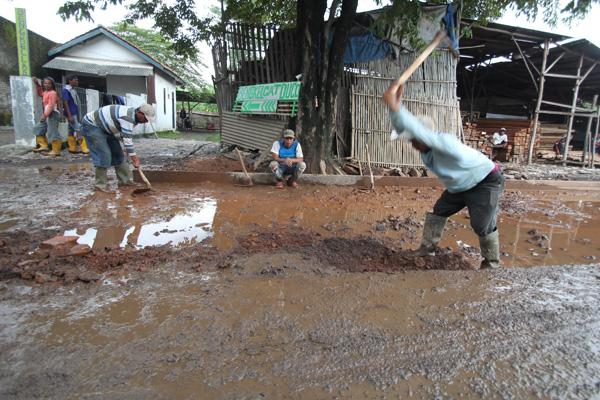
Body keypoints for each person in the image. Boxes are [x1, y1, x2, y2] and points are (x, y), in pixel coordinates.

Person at [382, 83, 505, 269]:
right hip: (460, 186)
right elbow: (404, 127)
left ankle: (492, 263)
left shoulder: (444, 143)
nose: (412, 144)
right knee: (439, 211)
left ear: (423, 136)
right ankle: (426, 249)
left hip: (485, 182)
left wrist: (396, 107)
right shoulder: (427, 148)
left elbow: (417, 130)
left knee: (481, 224)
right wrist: (394, 108)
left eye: (414, 140)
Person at [81, 104, 155, 193]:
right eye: (146, 118)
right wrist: (135, 159)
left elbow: (125, 134)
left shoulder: (133, 117)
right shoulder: (127, 118)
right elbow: (128, 141)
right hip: (91, 125)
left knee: (119, 153)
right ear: (139, 113)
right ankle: (99, 185)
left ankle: (124, 182)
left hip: (105, 128)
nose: (146, 121)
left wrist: (127, 147)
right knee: (104, 154)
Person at [32, 77, 61, 156]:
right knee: (38, 128)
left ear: (52, 84)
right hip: (47, 115)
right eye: (45, 83)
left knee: (53, 132)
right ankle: (44, 146)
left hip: (52, 114)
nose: (47, 85)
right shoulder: (46, 93)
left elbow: (51, 106)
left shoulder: (52, 93)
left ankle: (56, 150)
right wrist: (37, 84)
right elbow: (40, 93)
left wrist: (44, 115)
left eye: (48, 83)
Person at [61, 74, 89, 154]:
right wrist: (69, 115)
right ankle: (84, 147)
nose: (77, 82)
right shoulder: (66, 90)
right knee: (79, 129)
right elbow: (65, 103)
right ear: (70, 81)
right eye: (75, 80)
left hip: (74, 112)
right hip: (71, 113)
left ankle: (72, 147)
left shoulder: (73, 90)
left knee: (71, 129)